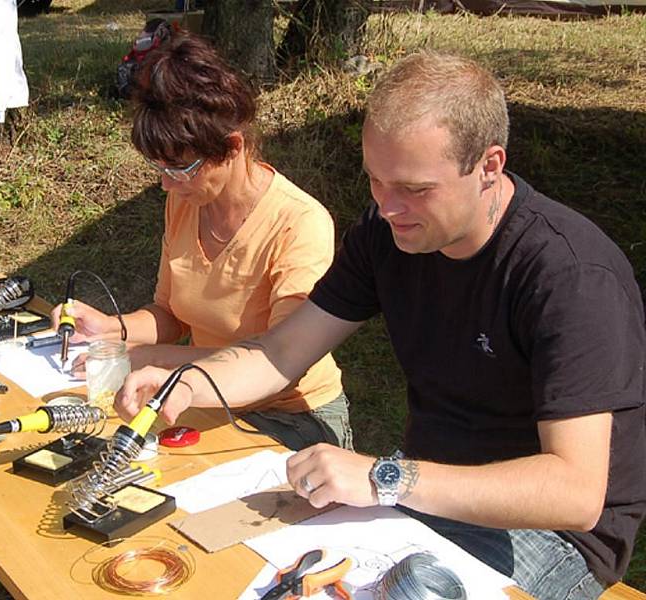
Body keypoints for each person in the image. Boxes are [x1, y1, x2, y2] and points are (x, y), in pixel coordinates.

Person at [115, 50, 646, 599]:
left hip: (548, 532)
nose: (388, 207)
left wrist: (385, 478)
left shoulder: (571, 276)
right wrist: (188, 382)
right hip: (426, 488)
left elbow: (576, 493)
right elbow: (282, 352)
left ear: (489, 166)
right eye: (375, 180)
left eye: (414, 189)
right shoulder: (388, 234)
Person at [53, 33, 352, 451]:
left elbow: (282, 364)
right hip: (203, 396)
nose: (164, 183)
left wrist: (152, 359)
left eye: (178, 167)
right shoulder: (186, 199)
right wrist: (112, 329)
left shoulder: (298, 223)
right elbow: (170, 316)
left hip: (293, 417)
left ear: (232, 148)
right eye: (157, 167)